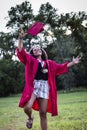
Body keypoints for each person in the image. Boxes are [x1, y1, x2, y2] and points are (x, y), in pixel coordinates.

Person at [16, 29, 81, 130]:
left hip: (45, 87)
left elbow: (61, 67)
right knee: (27, 107)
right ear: (33, 52)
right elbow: (21, 51)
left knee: (43, 113)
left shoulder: (49, 63)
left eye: (38, 48)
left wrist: (73, 62)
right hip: (34, 86)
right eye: (34, 49)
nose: (36, 49)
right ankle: (30, 117)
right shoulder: (30, 60)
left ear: (42, 51)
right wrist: (20, 38)